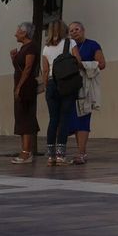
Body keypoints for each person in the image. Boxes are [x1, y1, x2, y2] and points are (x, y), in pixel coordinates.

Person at [67, 21, 106, 165]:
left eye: (77, 29)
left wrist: (84, 65)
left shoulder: (92, 45)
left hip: (85, 87)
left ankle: (81, 152)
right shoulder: (68, 46)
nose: (74, 32)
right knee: (73, 120)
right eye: (71, 30)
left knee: (83, 119)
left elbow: (101, 63)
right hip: (71, 87)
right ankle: (76, 150)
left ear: (83, 30)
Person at [40, 20, 78, 166]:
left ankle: (51, 157)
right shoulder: (70, 43)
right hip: (66, 84)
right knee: (64, 119)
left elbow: (44, 70)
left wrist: (46, 86)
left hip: (51, 84)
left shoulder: (46, 48)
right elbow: (78, 61)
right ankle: (61, 156)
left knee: (53, 119)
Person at [10, 23, 39, 164]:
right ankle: (24, 150)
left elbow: (28, 68)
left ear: (25, 33)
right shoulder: (23, 48)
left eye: (18, 31)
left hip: (26, 87)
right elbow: (20, 68)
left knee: (26, 117)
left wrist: (19, 87)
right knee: (20, 117)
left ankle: (27, 152)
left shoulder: (31, 47)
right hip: (20, 85)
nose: (15, 34)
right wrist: (13, 57)